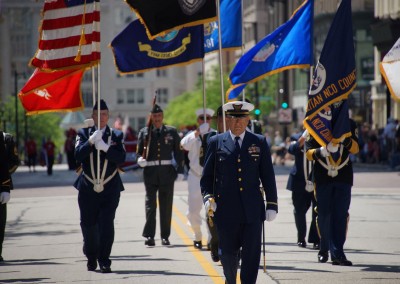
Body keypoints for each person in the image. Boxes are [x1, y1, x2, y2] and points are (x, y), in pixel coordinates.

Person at [200, 101, 278, 284]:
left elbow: (268, 176)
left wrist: (272, 204)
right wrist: (208, 197)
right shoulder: (216, 142)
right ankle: (230, 280)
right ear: (227, 119)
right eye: (233, 118)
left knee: (251, 255)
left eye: (241, 118)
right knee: (228, 254)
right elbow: (207, 177)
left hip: (252, 210)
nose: (237, 123)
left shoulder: (258, 141)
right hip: (226, 210)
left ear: (248, 119)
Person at [74, 99, 126, 273]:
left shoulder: (116, 135)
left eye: (104, 114)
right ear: (93, 116)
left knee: (106, 224)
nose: (101, 117)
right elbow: (77, 156)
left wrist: (104, 147)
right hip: (88, 186)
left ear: (108, 116)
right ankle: (91, 255)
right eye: (97, 114)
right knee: (88, 225)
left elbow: (121, 158)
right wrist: (89, 143)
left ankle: (104, 260)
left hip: (110, 186)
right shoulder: (83, 133)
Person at [305, 114, 359, 266]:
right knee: (324, 214)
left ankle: (338, 252)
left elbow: (355, 148)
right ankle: (323, 249)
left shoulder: (349, 123)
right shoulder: (315, 124)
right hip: (323, 174)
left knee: (341, 214)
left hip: (343, 174)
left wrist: (344, 139)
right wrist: (321, 151)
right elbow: (308, 153)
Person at [136, 104, 185, 247]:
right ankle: (150, 236)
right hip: (150, 173)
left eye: (159, 116)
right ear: (151, 117)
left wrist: (180, 170)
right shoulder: (144, 132)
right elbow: (139, 152)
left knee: (166, 206)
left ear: (162, 117)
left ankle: (165, 236)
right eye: (154, 116)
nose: (157, 119)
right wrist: (139, 160)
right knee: (150, 206)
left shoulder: (171, 131)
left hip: (166, 173)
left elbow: (178, 151)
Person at [180, 108, 215, 250]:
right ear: (197, 120)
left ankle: (212, 238)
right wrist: (198, 133)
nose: (204, 121)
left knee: (212, 209)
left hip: (211, 176)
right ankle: (197, 235)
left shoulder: (215, 135)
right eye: (202, 118)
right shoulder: (193, 136)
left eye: (207, 118)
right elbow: (183, 145)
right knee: (194, 210)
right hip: (195, 176)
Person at [286, 130, 320, 249]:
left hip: (317, 179)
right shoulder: (296, 136)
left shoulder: (321, 135)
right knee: (299, 211)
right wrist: (304, 137)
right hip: (299, 180)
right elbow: (292, 149)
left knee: (318, 211)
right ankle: (301, 238)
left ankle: (316, 239)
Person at [0, 130, 20, 261]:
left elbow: (12, 162)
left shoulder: (6, 139)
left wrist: (4, 184)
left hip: (1, 183)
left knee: (0, 222)